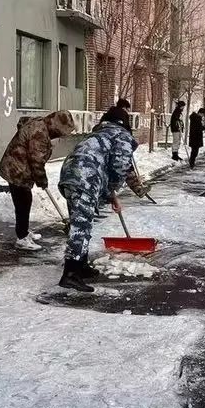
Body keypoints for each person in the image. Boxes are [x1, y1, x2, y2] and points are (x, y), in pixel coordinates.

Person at [57, 105, 145, 292]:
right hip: (85, 177)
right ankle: (70, 273)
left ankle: (81, 266)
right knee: (81, 226)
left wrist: (110, 194)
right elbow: (121, 166)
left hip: (71, 175)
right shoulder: (121, 135)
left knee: (81, 222)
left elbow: (107, 164)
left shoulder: (99, 134)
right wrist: (112, 189)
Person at [0, 110, 75, 252]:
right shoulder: (40, 134)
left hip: (18, 166)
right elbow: (36, 161)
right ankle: (22, 238)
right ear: (56, 126)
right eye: (61, 132)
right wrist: (42, 180)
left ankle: (24, 231)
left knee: (24, 200)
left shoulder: (41, 124)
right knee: (23, 203)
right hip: (16, 169)